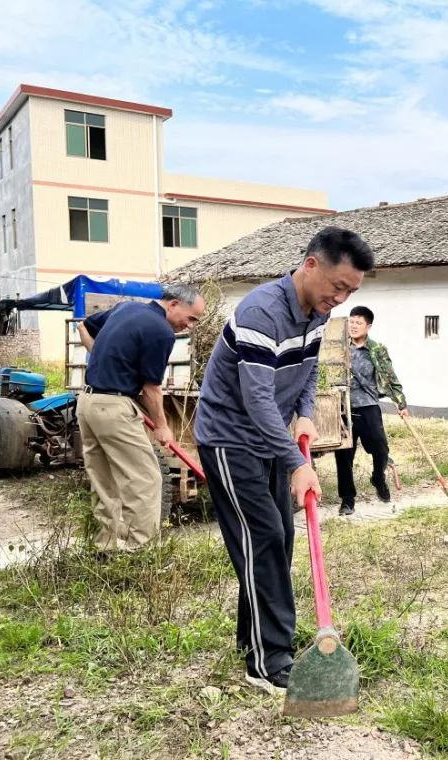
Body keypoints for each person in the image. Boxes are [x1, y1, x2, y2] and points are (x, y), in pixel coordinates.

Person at [195, 226, 373, 694]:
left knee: (278, 539)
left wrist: (306, 415)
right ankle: (267, 661)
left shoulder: (316, 313)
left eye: (351, 292)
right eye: (338, 287)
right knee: (265, 539)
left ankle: (251, 640)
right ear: (311, 265)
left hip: (272, 438)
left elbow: (310, 367)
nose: (341, 299)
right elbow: (255, 398)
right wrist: (297, 463)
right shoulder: (262, 310)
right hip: (231, 440)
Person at [78, 284, 205, 552]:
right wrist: (161, 426)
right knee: (146, 478)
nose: (190, 326)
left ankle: (107, 546)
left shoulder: (127, 308)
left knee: (104, 479)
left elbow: (84, 327)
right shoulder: (161, 332)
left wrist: (103, 358)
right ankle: (142, 551)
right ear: (173, 305)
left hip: (87, 403)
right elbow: (151, 387)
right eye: (191, 318)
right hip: (114, 407)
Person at [334, 305, 408, 516]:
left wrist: (401, 404)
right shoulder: (339, 348)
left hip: (368, 406)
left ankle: (378, 477)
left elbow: (391, 378)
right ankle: (347, 499)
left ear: (368, 326)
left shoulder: (376, 349)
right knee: (344, 455)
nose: (354, 326)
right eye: (351, 322)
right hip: (343, 407)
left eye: (359, 322)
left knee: (380, 447)